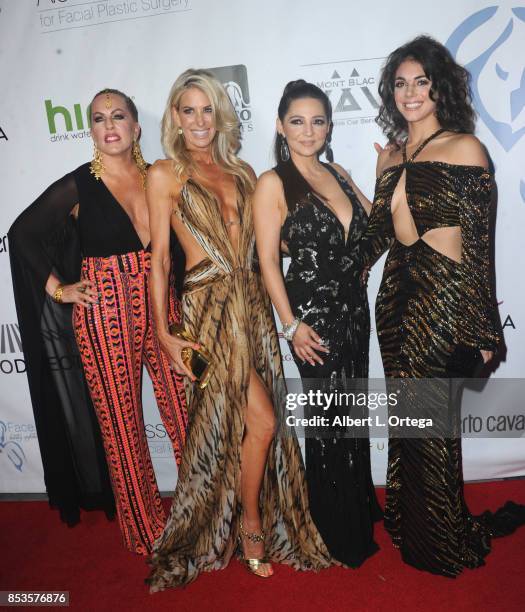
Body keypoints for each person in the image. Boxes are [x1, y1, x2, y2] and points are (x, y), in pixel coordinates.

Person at [146, 69, 332, 590]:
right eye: (189, 111)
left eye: (208, 110)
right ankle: (249, 524)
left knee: (246, 427)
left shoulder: (245, 172)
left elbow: (269, 245)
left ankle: (247, 518)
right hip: (206, 316)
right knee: (261, 421)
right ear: (176, 118)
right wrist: (164, 333)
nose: (200, 121)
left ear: (221, 116)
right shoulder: (165, 174)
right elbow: (160, 260)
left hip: (251, 307)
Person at [360, 35, 525, 576]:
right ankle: (413, 530)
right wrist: (376, 181)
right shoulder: (394, 153)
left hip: (443, 298)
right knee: (409, 424)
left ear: (440, 88)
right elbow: (380, 236)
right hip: (396, 299)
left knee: (433, 426)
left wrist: (483, 330)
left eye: (421, 82)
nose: (410, 93)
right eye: (401, 84)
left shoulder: (464, 148)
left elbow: (479, 247)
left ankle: (443, 541)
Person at [8, 89, 188, 555]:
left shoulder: (160, 175)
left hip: (163, 302)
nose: (109, 125)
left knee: (187, 408)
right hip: (106, 310)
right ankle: (149, 533)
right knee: (123, 426)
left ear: (136, 127)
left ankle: (201, 511)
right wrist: (58, 289)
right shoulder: (79, 184)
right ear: (91, 130)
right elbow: (22, 234)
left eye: (119, 116)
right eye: (99, 118)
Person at [253, 80, 382, 567]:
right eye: (298, 121)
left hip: (353, 312)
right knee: (328, 424)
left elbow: (373, 232)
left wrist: (358, 256)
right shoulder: (274, 182)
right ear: (281, 126)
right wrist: (290, 326)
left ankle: (355, 505)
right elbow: (267, 260)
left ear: (329, 126)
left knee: (350, 419)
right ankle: (332, 527)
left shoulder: (339, 172)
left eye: (318, 120)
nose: (308, 131)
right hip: (312, 320)